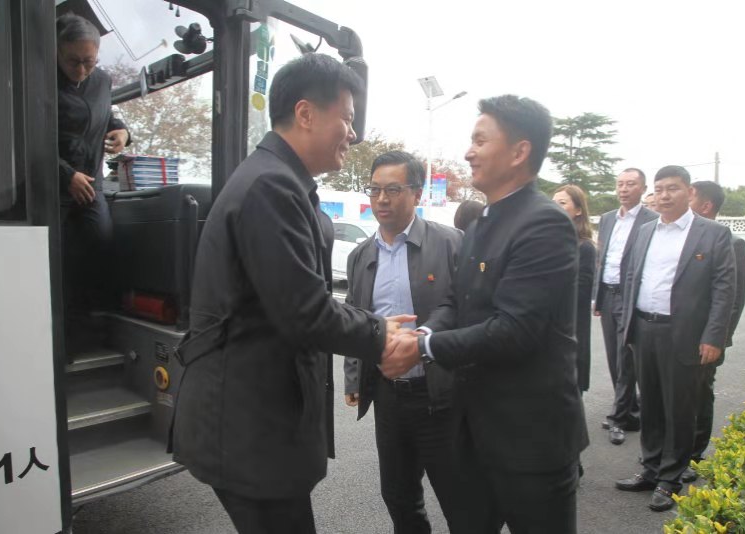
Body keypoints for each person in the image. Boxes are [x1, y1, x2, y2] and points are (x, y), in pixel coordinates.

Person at [171, 54, 410, 534]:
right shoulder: (271, 187)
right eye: (347, 118)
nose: (353, 134)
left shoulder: (276, 179)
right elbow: (306, 312)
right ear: (305, 114)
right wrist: (381, 333)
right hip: (250, 431)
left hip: (254, 424)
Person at [382, 95, 589, 534]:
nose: (468, 152)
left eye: (480, 141)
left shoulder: (545, 223)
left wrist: (423, 348)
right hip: (471, 432)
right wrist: (423, 331)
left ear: (519, 151)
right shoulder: (479, 226)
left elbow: (515, 330)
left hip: (530, 437)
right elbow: (455, 303)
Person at [343, 150, 463, 533]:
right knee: (398, 496)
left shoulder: (450, 243)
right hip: (389, 396)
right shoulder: (361, 256)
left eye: (393, 190)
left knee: (460, 499)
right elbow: (355, 317)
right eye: (374, 189)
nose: (381, 199)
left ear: (417, 193)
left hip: (441, 394)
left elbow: (465, 309)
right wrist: (353, 377)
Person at [616, 166, 735, 512]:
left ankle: (670, 479)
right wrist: (627, 324)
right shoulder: (646, 231)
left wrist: (714, 337)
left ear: (689, 192)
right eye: (659, 189)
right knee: (651, 404)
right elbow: (631, 277)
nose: (664, 195)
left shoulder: (713, 234)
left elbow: (724, 290)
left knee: (680, 409)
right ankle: (650, 468)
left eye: (673, 188)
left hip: (684, 335)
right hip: (644, 328)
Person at [56, 13, 130, 335]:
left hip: (91, 183)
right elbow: (29, 136)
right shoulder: (38, 78)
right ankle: (60, 332)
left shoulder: (102, 81)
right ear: (58, 51)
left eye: (89, 62)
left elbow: (107, 113)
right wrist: (65, 175)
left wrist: (122, 130)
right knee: (56, 257)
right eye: (73, 61)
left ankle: (88, 325)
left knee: (102, 242)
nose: (81, 70)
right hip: (51, 183)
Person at [684, 180, 745, 482]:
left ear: (706, 206)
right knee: (680, 396)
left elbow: (734, 299)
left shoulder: (732, 242)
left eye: (690, 197)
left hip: (707, 338)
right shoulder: (684, 237)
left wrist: (717, 339)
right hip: (679, 335)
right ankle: (674, 451)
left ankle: (694, 455)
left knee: (699, 394)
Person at [592, 168, 659, 445]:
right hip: (607, 294)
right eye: (620, 184)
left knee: (625, 357)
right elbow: (603, 258)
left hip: (630, 296)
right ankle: (630, 413)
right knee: (613, 357)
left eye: (630, 184)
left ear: (642, 188)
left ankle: (618, 417)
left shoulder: (651, 220)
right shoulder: (608, 218)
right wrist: (597, 297)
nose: (623, 189)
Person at [553, 184, 596, 394]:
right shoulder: (548, 242)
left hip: (570, 325)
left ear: (578, 210)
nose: (556, 207)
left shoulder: (585, 247)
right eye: (553, 203)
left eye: (562, 203)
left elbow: (581, 291)